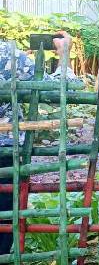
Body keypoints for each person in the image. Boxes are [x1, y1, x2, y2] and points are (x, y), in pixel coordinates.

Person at [0, 30, 77, 255]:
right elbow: (63, 88)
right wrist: (63, 54)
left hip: (5, 146)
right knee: (4, 217)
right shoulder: (7, 54)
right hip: (5, 147)